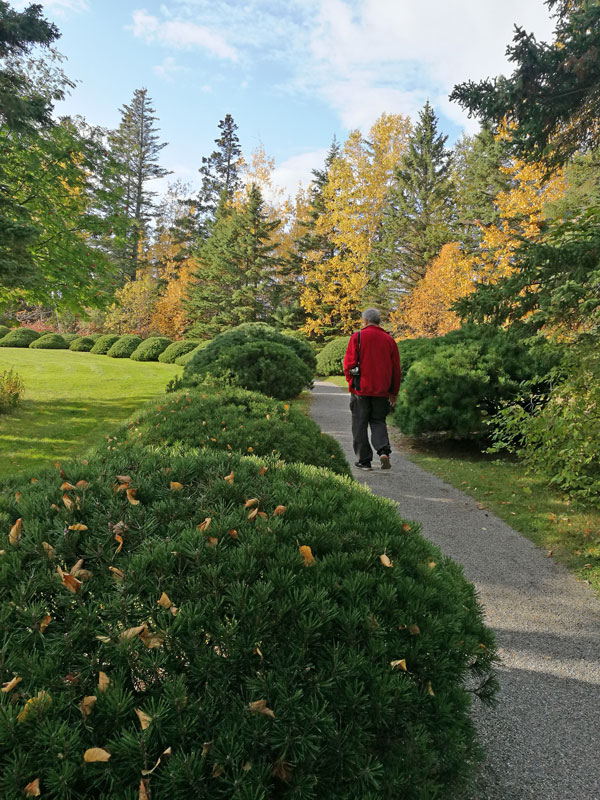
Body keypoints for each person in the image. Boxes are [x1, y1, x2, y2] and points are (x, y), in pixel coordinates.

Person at [343, 308, 401, 471]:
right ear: (379, 321)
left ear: (365, 321)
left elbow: (349, 364)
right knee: (378, 421)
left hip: (361, 389)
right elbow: (396, 369)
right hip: (381, 391)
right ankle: (383, 451)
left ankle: (364, 461)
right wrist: (393, 392)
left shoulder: (358, 337)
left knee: (359, 424)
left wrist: (351, 381)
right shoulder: (389, 340)